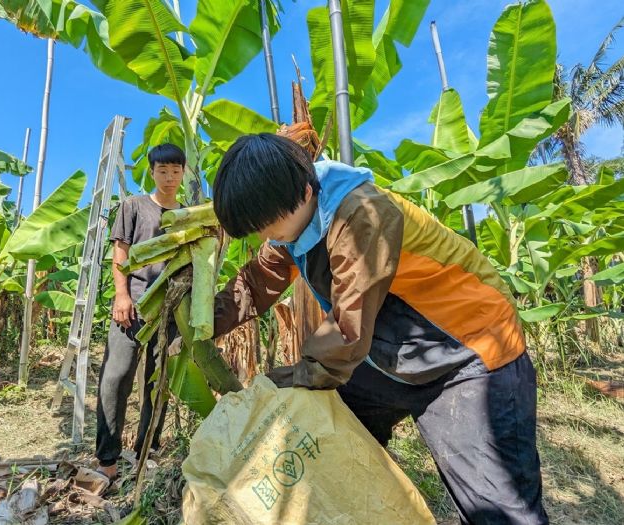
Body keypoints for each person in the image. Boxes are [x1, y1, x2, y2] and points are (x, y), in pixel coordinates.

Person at [211, 131, 549, 525]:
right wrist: (203, 320)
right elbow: (256, 282)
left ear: (304, 193)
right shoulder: (293, 219)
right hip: (392, 356)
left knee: (496, 507)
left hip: (469, 352)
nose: (264, 237)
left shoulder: (363, 214)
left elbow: (348, 325)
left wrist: (294, 377)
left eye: (266, 225)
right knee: (332, 436)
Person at [95, 143, 184, 481]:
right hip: (132, 305)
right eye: (163, 171)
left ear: (183, 173)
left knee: (157, 383)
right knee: (116, 378)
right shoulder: (132, 207)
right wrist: (121, 295)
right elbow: (121, 253)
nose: (169, 178)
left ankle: (147, 451)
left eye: (176, 171)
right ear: (152, 172)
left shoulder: (186, 214)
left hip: (171, 309)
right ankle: (107, 459)